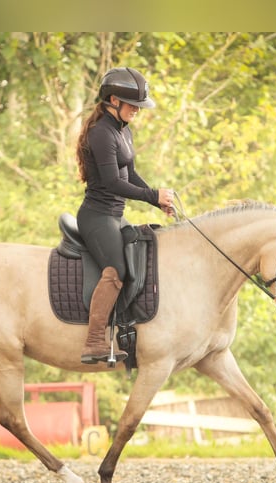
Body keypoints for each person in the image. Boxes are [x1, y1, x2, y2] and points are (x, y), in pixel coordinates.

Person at [75, 66, 175, 364]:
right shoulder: (101, 133)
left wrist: (157, 200)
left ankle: (128, 327)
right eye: (133, 105)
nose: (137, 111)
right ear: (113, 100)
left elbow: (129, 173)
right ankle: (94, 341)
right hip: (97, 216)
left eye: (139, 106)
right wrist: (152, 195)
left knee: (143, 257)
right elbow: (112, 183)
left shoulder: (122, 130)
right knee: (116, 270)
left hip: (116, 216)